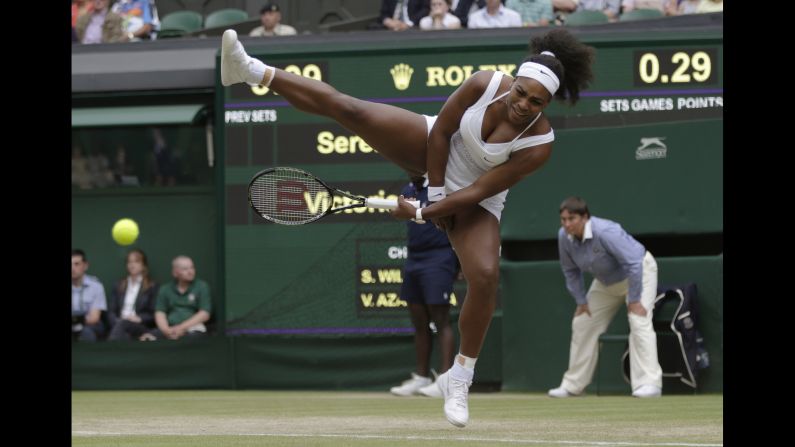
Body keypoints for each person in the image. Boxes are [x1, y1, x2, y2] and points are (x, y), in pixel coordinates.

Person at [220, 27, 594, 427]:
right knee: (353, 110)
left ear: (547, 103)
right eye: (521, 92)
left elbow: (480, 190)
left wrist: (420, 213)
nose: (523, 104)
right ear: (514, 80)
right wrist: (432, 198)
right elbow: (442, 133)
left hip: (476, 197)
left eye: (536, 102)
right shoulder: (484, 83)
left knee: (484, 276)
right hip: (432, 147)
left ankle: (460, 378)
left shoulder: (539, 144)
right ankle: (251, 70)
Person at [549, 196, 663, 398]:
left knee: (638, 320)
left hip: (639, 273)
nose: (567, 224)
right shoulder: (563, 237)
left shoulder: (605, 231)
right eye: (563, 220)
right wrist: (581, 301)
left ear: (585, 217)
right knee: (583, 322)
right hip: (606, 282)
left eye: (571, 219)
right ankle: (574, 385)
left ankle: (649, 384)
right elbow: (570, 271)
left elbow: (634, 264)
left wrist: (635, 299)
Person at [390, 176, 459, 397]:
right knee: (419, 320)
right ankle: (421, 377)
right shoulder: (407, 189)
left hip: (440, 256)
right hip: (414, 259)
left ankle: (445, 379)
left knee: (440, 319)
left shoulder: (441, 188)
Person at [141, 255, 211, 341]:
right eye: (185, 269)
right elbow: (160, 312)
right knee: (146, 338)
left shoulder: (202, 286)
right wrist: (166, 330)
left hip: (194, 328)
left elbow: (204, 314)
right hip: (169, 328)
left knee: (192, 339)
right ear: (175, 272)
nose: (190, 271)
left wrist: (181, 328)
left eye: (192, 268)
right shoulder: (165, 289)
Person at [107, 249, 159, 341]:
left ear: (143, 265)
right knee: (124, 332)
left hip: (139, 325)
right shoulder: (118, 285)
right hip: (119, 324)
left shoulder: (152, 286)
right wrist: (116, 321)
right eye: (129, 262)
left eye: (136, 261)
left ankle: (110, 350)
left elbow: (154, 313)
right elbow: (111, 311)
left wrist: (139, 318)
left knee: (123, 325)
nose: (132, 265)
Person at [72, 249, 108, 342]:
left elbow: (94, 318)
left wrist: (76, 322)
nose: (72, 268)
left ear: (85, 265)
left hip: (90, 325)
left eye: (76, 264)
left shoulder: (96, 286)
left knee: (85, 332)